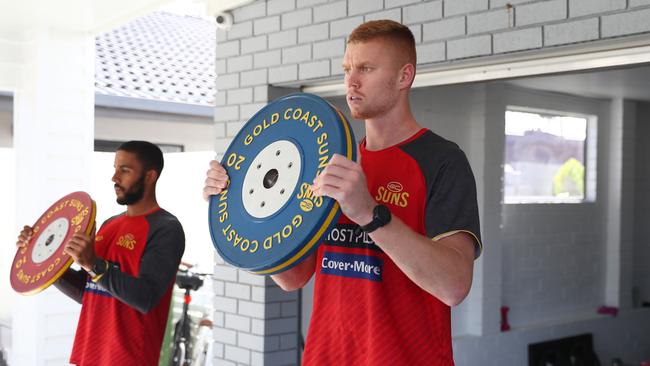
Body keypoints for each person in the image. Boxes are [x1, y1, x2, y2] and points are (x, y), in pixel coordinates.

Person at [203, 20, 482, 365]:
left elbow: (454, 286)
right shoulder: (330, 158)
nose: (351, 81)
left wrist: (370, 214)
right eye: (348, 69)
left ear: (403, 77)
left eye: (366, 68)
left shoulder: (442, 160)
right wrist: (241, 209)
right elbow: (293, 276)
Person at [16, 141, 185, 366]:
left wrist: (93, 264)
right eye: (115, 169)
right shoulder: (108, 225)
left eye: (125, 170)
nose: (115, 177)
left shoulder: (166, 228)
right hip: (88, 357)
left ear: (150, 176)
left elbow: (146, 297)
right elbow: (88, 292)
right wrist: (43, 258)